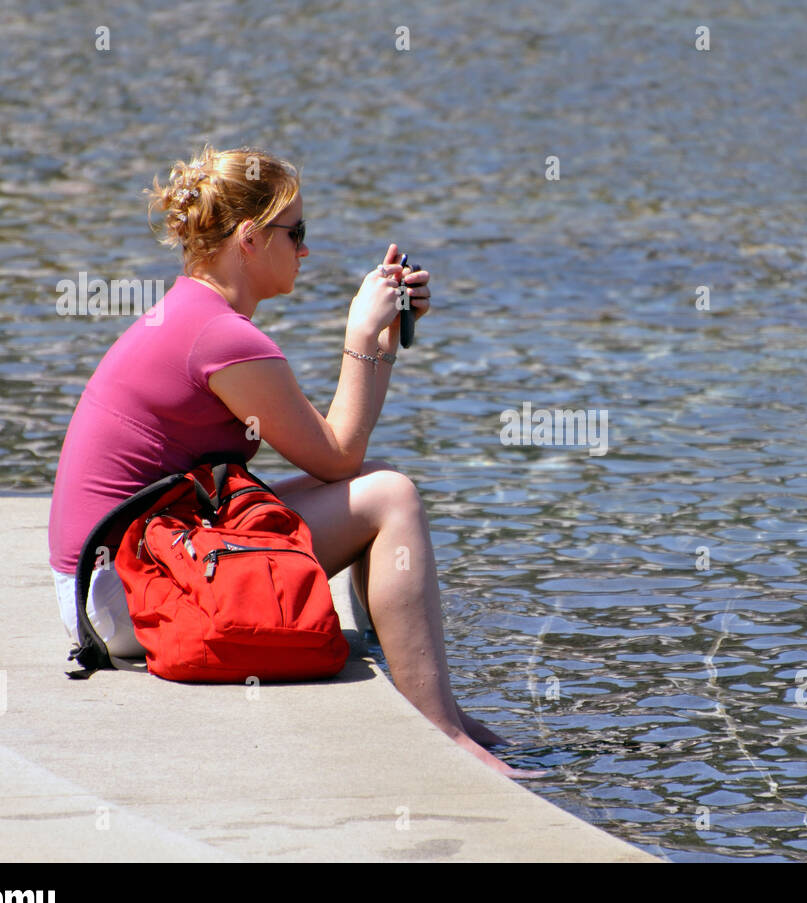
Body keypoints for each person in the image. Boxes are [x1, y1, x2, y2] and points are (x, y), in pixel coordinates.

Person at [48, 145, 539, 778]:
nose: (305, 249)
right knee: (389, 496)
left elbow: (341, 458)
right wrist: (362, 337)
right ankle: (441, 732)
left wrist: (383, 342)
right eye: (296, 232)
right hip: (122, 595)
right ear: (250, 239)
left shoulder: (197, 315)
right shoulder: (221, 336)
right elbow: (336, 454)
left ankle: (438, 709)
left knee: (376, 486)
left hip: (114, 575)